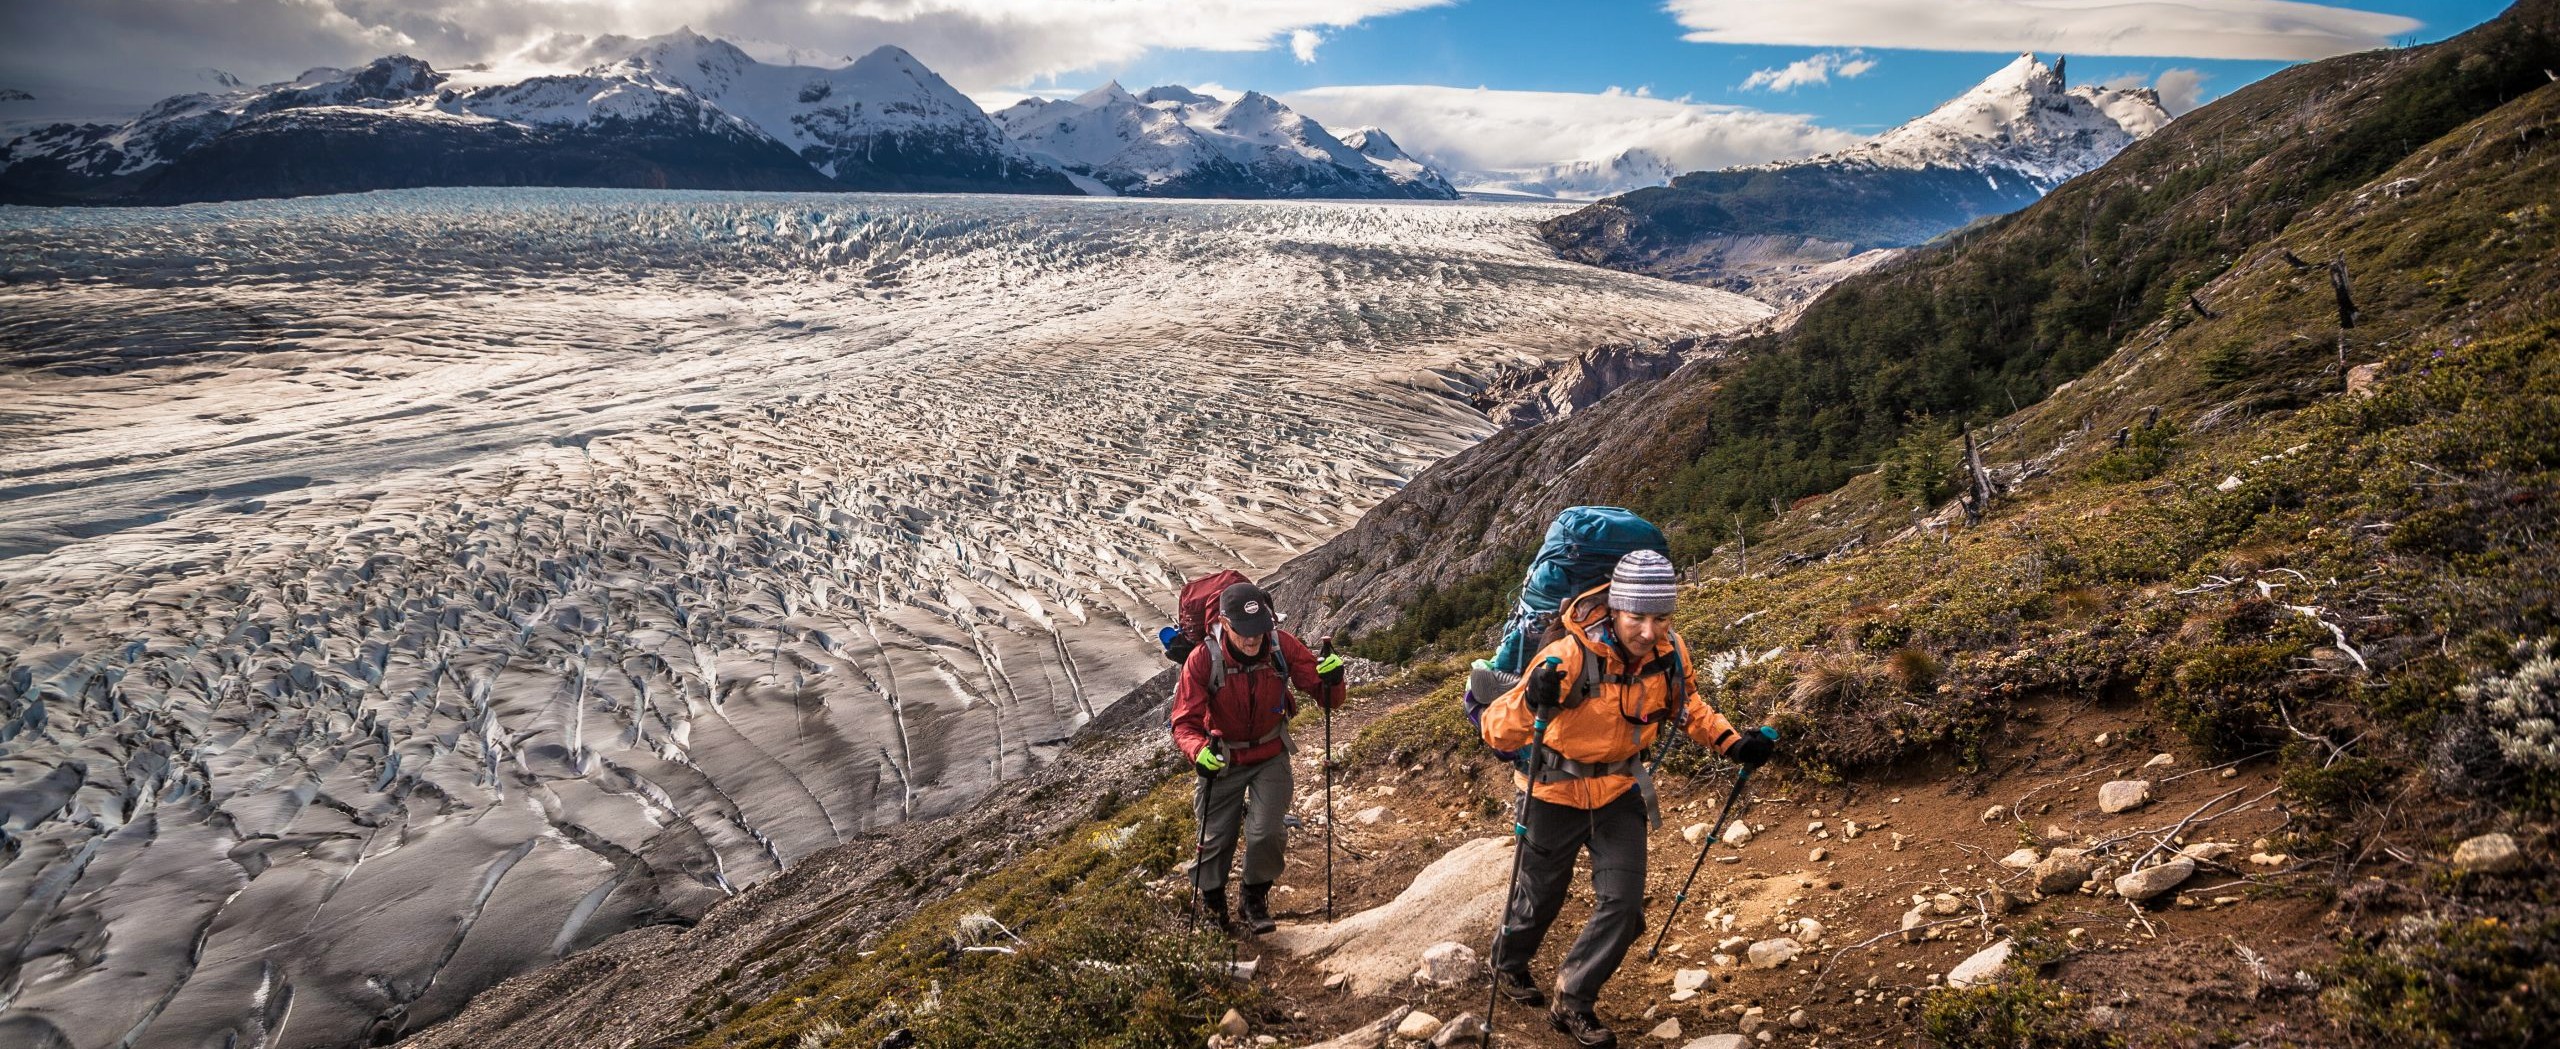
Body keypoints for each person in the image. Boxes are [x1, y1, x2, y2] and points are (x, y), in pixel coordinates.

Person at [1480, 549, 1776, 1048]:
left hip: (1620, 793)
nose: (1648, 630)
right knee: (1540, 897)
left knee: (1624, 905)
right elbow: (1496, 731)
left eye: (1660, 617)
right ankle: (1507, 965)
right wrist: (1534, 697)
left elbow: (1688, 707)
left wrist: (1731, 742)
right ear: (1616, 608)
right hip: (1553, 792)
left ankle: (1572, 1000)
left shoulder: (1669, 652)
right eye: (1638, 616)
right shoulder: (1568, 655)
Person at [1169, 580, 1347, 934]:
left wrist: (1334, 679)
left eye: (1259, 630)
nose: (1252, 639)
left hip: (1270, 753)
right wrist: (1198, 751)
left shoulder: (1282, 646)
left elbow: (1328, 699)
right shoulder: (1203, 659)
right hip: (1222, 757)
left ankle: (1253, 898)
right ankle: (1213, 904)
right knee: (1216, 837)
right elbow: (1184, 722)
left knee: (1267, 832)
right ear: (1225, 624)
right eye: (1243, 631)